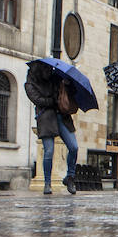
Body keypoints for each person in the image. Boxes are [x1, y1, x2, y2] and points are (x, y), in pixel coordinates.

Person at [25, 61, 78, 195]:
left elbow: (68, 95)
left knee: (73, 147)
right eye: (45, 68)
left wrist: (67, 85)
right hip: (46, 119)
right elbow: (37, 100)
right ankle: (47, 183)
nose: (48, 70)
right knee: (49, 151)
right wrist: (53, 100)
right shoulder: (30, 84)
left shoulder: (56, 78)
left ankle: (70, 176)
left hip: (62, 117)